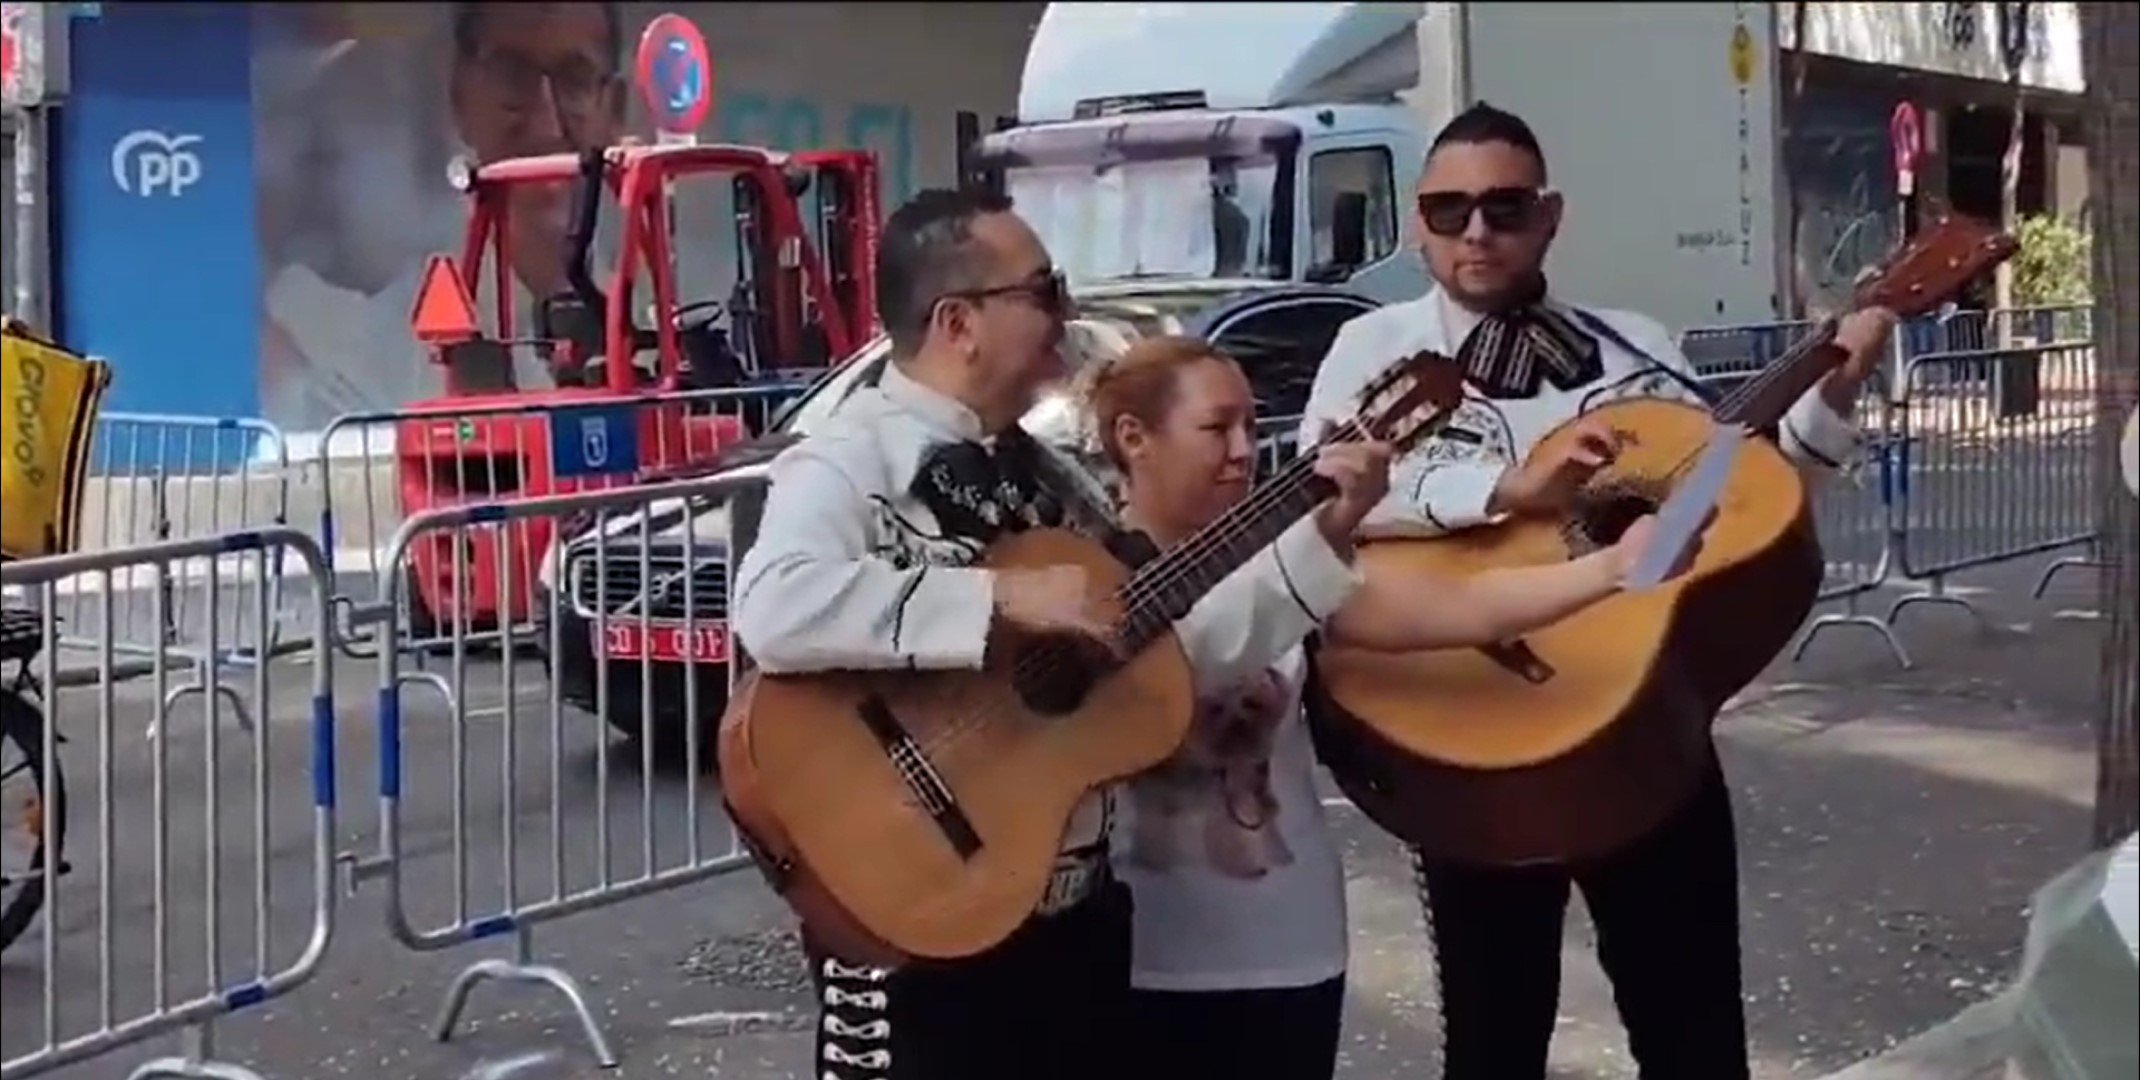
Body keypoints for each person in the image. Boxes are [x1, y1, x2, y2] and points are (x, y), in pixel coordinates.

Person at [1294, 102, 1901, 1080]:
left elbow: (1729, 503)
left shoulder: (1631, 347)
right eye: (1448, 212)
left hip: (1642, 731)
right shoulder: (1374, 355)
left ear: (1549, 216)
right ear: (1416, 223)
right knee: (1495, 1046)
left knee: (1696, 1040)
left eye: (1502, 206)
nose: (1476, 232)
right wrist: (1503, 489)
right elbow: (1320, 510)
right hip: (1476, 728)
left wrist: (1830, 394)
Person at [728, 189, 1391, 1080]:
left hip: (1071, 920)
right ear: (958, 322)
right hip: (922, 914)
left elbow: (1160, 657)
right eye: (1043, 290)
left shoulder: (1046, 472)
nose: (1065, 312)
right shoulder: (850, 459)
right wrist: (996, 604)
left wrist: (1323, 538)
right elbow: (774, 606)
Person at [1086, 335, 1699, 1080]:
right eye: (1217, 429)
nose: (1246, 450)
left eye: (1254, 423)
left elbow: (1459, 606)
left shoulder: (1284, 558)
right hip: (1135, 949)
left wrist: (1611, 567)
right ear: (1134, 439)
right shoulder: (1075, 571)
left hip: (1286, 942)